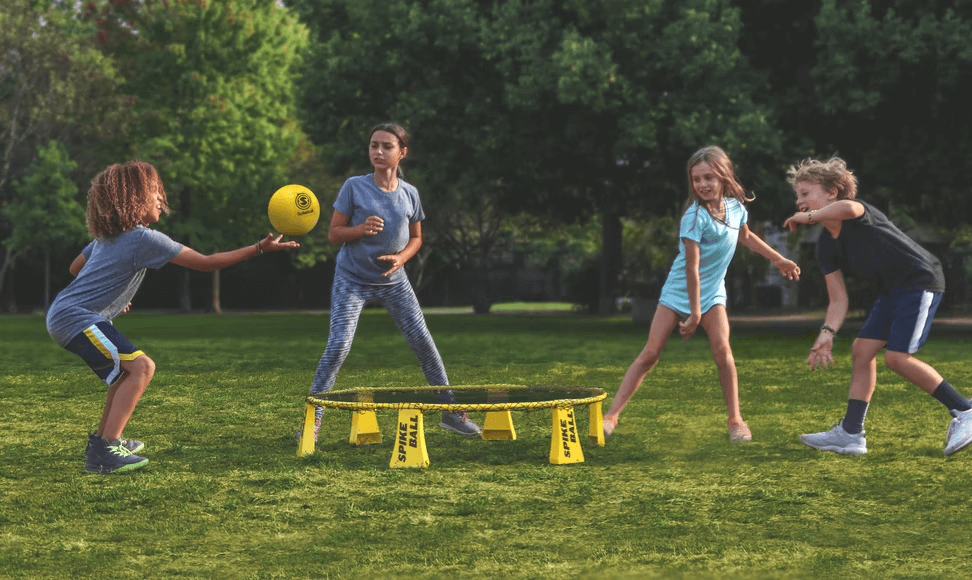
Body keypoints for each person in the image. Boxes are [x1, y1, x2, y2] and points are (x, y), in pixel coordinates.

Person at [46, 161, 299, 474]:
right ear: (133, 199)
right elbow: (206, 263)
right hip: (75, 318)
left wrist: (110, 296)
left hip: (69, 313)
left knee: (127, 373)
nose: (160, 200)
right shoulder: (144, 239)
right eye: (154, 193)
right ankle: (105, 451)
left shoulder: (106, 237)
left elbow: (75, 268)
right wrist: (259, 248)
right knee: (142, 367)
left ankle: (104, 441)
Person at [603, 145, 801, 444]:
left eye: (708, 177)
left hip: (712, 293)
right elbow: (691, 269)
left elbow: (745, 236)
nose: (702, 185)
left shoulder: (736, 208)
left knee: (723, 352)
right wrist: (694, 313)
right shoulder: (693, 217)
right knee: (651, 353)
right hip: (679, 290)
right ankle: (611, 417)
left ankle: (736, 421)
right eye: (696, 179)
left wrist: (778, 259)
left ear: (723, 176)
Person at [300, 122, 481, 442]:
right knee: (338, 346)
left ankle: (451, 413)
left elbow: (416, 238)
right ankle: (312, 421)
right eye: (373, 145)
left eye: (386, 146)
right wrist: (359, 230)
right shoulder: (354, 187)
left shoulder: (410, 193)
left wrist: (401, 259)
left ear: (402, 153)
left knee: (425, 345)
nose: (378, 152)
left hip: (395, 282)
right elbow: (333, 234)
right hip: (352, 279)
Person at [783, 157, 972, 456]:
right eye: (798, 196)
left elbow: (848, 207)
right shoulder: (825, 246)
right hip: (892, 291)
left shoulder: (858, 212)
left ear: (832, 191)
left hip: (920, 280)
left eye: (806, 193)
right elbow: (838, 299)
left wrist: (807, 217)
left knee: (896, 358)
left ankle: (965, 411)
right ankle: (851, 433)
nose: (800, 201)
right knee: (862, 351)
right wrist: (827, 333)